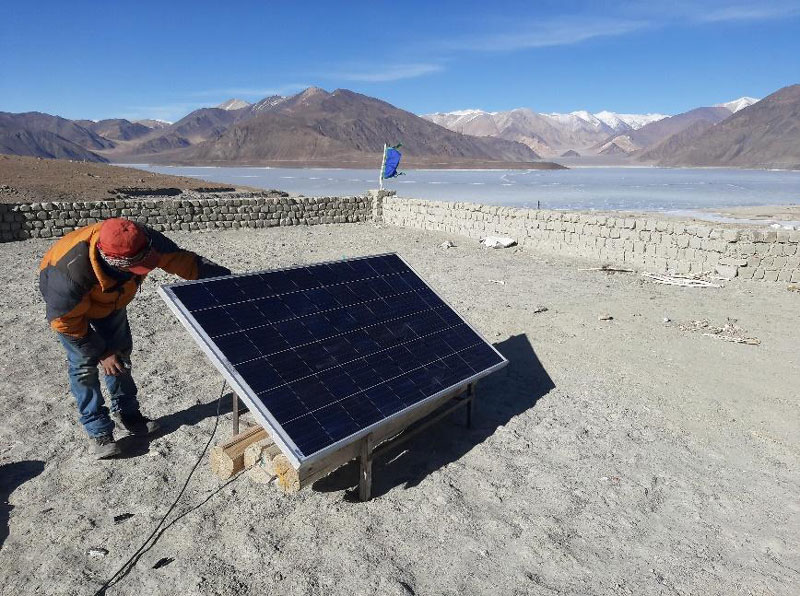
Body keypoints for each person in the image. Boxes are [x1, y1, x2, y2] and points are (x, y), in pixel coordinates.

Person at [39, 218, 231, 459]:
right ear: (115, 262)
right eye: (139, 266)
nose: (148, 269)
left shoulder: (140, 238)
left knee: (120, 356)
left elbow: (180, 260)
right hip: (71, 314)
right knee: (83, 368)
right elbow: (64, 322)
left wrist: (225, 281)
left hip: (112, 302)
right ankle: (98, 431)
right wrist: (101, 353)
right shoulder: (67, 275)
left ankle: (127, 414)